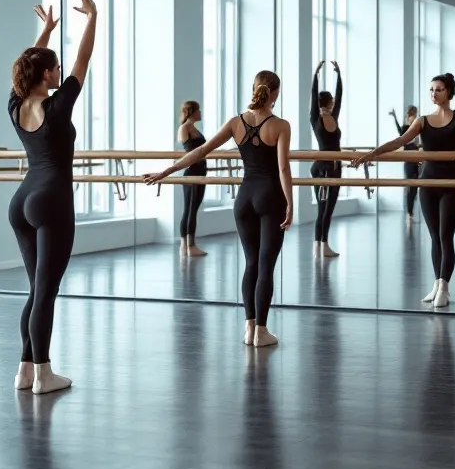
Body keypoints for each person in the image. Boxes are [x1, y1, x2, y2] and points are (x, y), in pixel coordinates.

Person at [146, 71, 293, 348]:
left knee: (251, 263)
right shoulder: (281, 125)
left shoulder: (236, 122)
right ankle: (261, 332)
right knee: (265, 266)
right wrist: (291, 203)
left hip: (244, 199)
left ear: (254, 89)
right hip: (270, 197)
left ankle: (249, 329)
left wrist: (168, 170)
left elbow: (200, 151)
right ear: (275, 93)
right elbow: (283, 168)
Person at [8, 0, 98, 395]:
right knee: (46, 292)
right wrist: (92, 18)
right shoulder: (58, 106)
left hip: (22, 200)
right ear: (47, 75)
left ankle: (25, 370)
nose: (61, 71)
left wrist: (45, 32)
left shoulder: (16, 105)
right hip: (52, 201)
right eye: (55, 68)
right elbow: (84, 59)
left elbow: (29, 64)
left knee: (36, 290)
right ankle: (44, 374)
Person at [353, 56, 455, 308]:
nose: (434, 93)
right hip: (427, 184)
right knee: (434, 236)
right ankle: (437, 283)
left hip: (451, 184)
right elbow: (400, 141)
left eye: (439, 89)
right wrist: (373, 153)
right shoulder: (422, 120)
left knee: (446, 236)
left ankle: (444, 286)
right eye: (431, 90)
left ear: (449, 92)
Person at [310, 60, 343, 258]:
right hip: (323, 169)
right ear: (327, 102)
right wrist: (316, 75)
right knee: (323, 209)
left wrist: (339, 75)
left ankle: (323, 244)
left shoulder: (334, 116)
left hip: (334, 167)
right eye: (331, 101)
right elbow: (313, 96)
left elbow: (340, 95)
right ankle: (318, 245)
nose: (334, 102)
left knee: (328, 209)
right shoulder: (315, 118)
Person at [176, 101, 209, 258]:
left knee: (193, 208)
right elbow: (190, 150)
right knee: (190, 209)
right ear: (192, 112)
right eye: (198, 110)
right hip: (193, 172)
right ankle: (188, 245)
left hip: (200, 171)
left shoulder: (193, 128)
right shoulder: (185, 128)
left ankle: (187, 245)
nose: (200, 113)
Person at [388, 106, 421, 225]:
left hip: (416, 159)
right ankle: (409, 214)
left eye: (415, 115)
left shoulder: (417, 127)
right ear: (409, 116)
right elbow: (401, 135)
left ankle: (410, 213)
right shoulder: (406, 128)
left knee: (415, 187)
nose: (415, 117)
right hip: (409, 160)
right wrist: (395, 117)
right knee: (410, 187)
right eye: (413, 115)